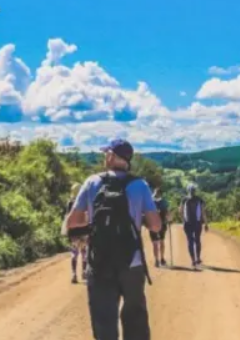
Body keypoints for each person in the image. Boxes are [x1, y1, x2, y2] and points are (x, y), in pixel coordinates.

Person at [66, 138, 161, 340]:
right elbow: (156, 226)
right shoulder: (140, 185)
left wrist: (92, 224)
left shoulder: (92, 182)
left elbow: (72, 222)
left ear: (112, 156)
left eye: (105, 153)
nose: (104, 157)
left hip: (99, 261)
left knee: (103, 321)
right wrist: (139, 218)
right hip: (132, 263)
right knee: (135, 318)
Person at [64, 183, 89, 284]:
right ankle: (84, 272)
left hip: (73, 232)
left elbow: (67, 218)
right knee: (84, 253)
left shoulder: (70, 203)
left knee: (74, 253)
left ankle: (74, 274)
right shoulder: (85, 202)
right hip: (84, 231)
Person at [179, 183, 208, 268]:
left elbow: (180, 211)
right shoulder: (199, 199)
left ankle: (193, 260)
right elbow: (203, 212)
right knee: (197, 240)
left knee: (190, 241)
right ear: (195, 191)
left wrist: (183, 221)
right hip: (197, 223)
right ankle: (198, 258)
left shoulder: (184, 199)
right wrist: (206, 224)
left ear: (188, 190)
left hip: (187, 223)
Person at [149, 188, 171, 267]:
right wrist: (169, 219)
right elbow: (168, 214)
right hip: (162, 224)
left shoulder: (150, 201)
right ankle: (162, 259)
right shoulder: (164, 202)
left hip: (152, 224)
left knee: (155, 243)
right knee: (161, 241)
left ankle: (157, 261)